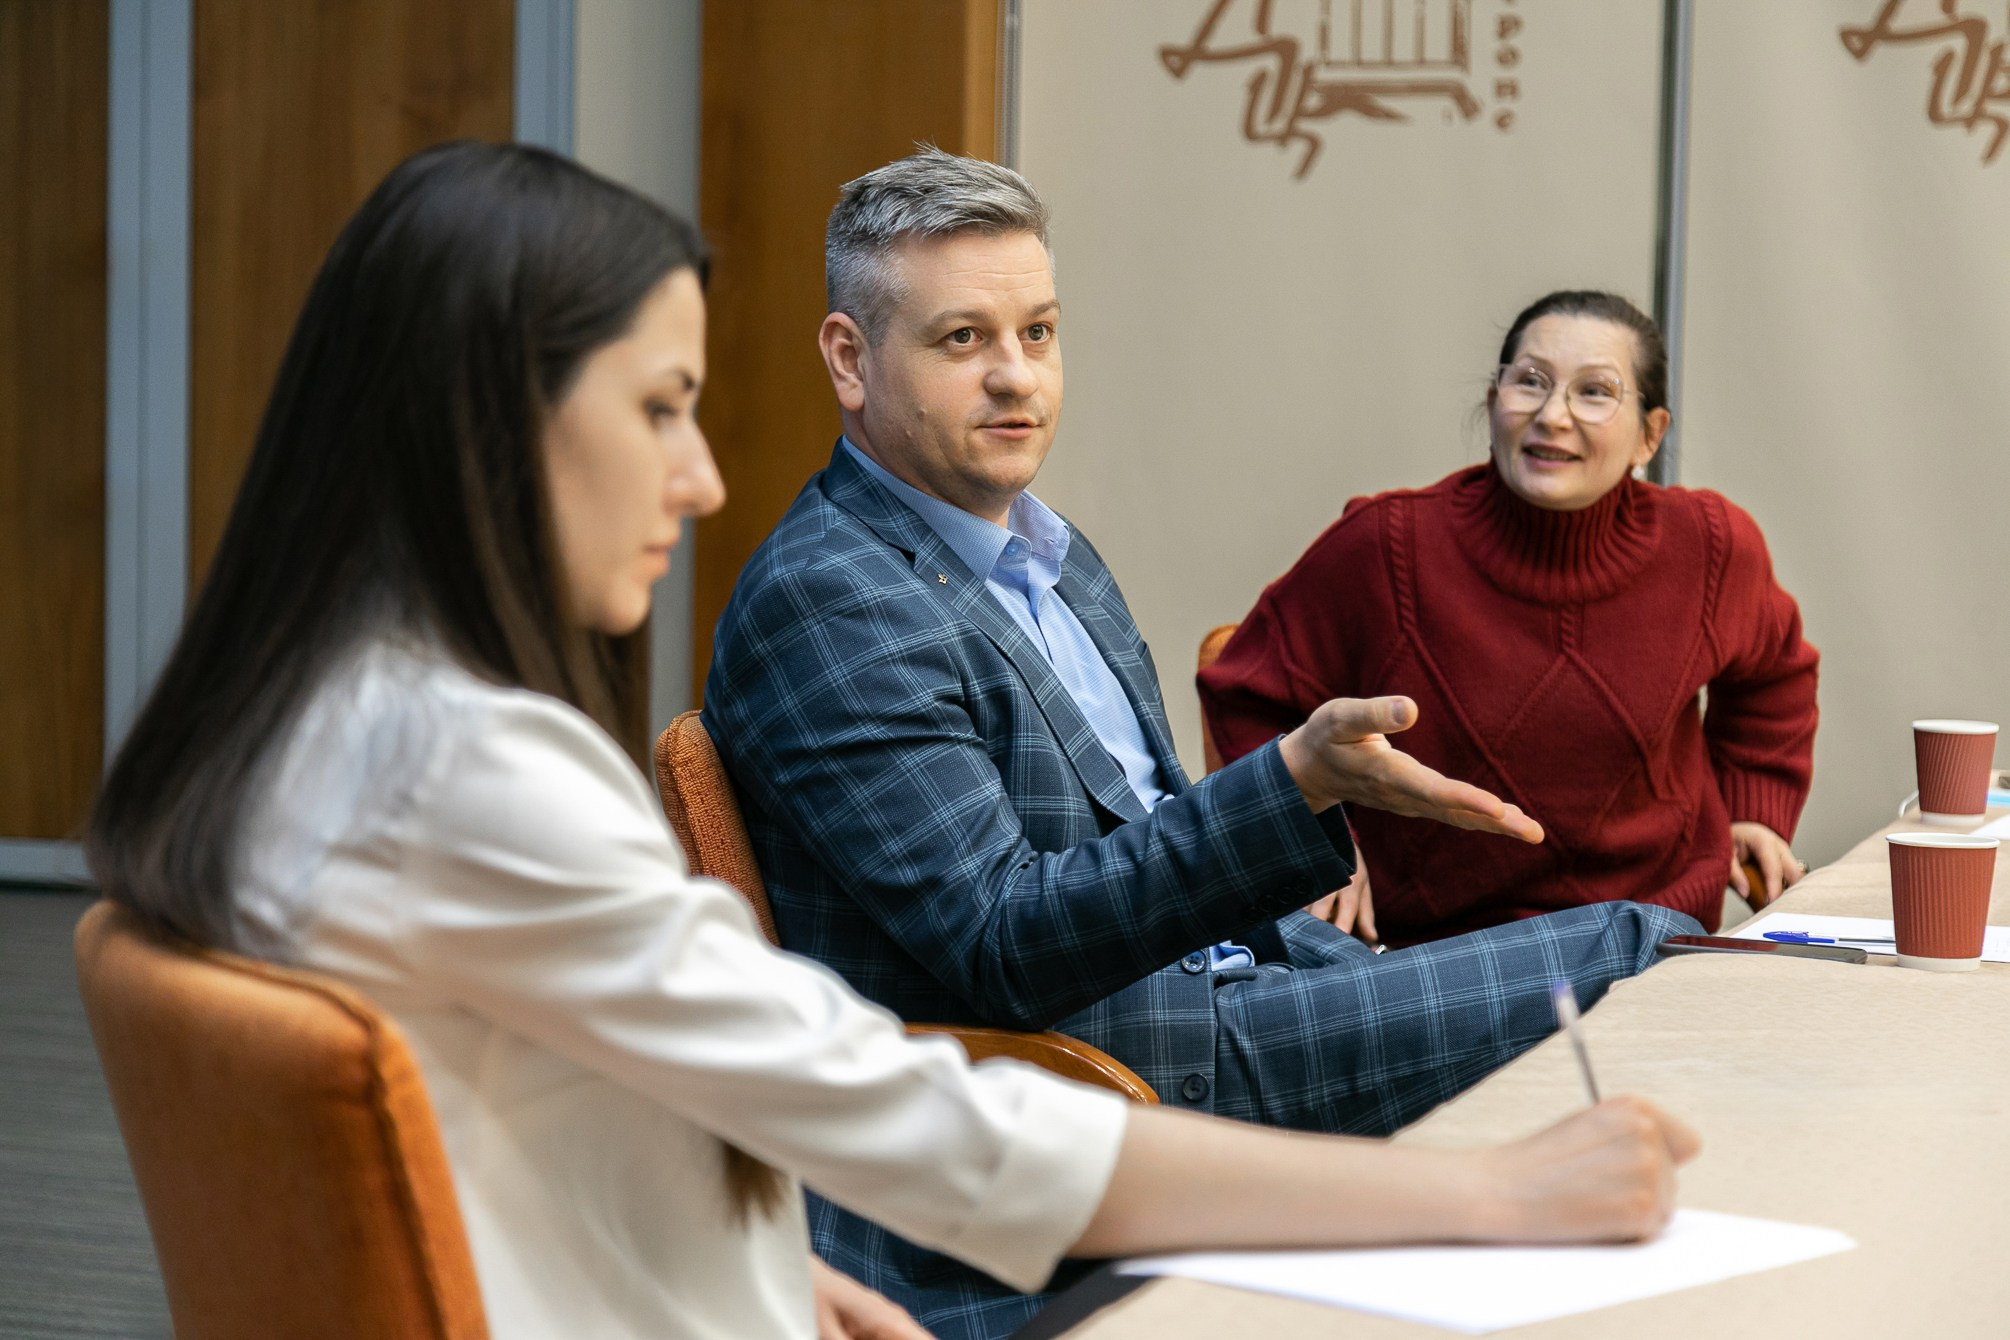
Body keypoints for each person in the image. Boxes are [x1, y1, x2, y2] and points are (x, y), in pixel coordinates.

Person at [83, 144, 1698, 1340]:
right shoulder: (481, 771)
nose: (706, 478)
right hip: (1021, 1123)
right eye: (660, 408)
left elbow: (489, 1115)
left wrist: (763, 1264)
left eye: (1039, 333)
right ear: (490, 416)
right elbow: (915, 1110)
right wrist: (1486, 1196)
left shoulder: (298, 737)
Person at [705, 150, 1705, 1335]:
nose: (1016, 378)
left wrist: (1359, 973)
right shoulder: (832, 596)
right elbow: (1005, 942)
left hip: (1217, 995)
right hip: (1105, 1079)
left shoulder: (1048, 551)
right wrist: (1291, 781)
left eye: (1039, 330)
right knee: (1639, 952)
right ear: (849, 357)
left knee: (1618, 973)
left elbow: (1154, 832)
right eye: (963, 340)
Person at [1199, 291, 1820, 949]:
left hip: (1659, 943)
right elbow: (1245, 694)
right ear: (1494, 399)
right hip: (1437, 960)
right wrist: (1309, 841)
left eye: (1594, 393)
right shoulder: (1388, 548)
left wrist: (1753, 809)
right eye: (1530, 382)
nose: (1553, 415)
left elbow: (1772, 679)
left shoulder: (1712, 547)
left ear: (1650, 434)